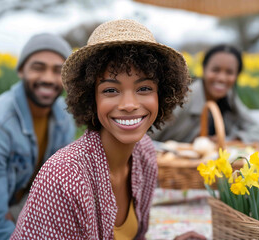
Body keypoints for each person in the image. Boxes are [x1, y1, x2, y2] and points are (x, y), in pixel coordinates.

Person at [11, 20, 206, 240]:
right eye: (111, 90)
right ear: (91, 98)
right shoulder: (64, 177)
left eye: (144, 88)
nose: (129, 104)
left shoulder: (145, 154)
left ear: (161, 96)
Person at [0, 33, 76, 239]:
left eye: (57, 70)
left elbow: (57, 193)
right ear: (21, 71)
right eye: (38, 67)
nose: (48, 78)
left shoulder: (63, 117)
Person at [150, 44, 259, 149]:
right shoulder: (183, 99)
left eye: (229, 72)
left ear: (237, 76)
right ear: (204, 69)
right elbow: (146, 136)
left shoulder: (229, 98)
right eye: (215, 70)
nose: (221, 78)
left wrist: (232, 139)